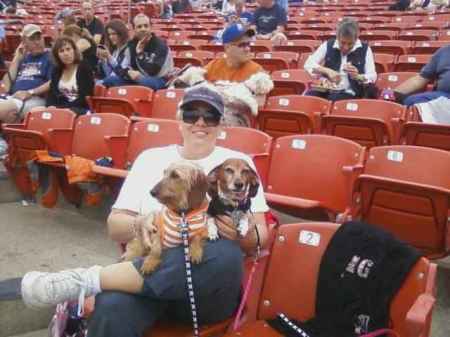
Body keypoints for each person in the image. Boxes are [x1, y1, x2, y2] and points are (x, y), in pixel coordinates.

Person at [20, 85, 269, 337]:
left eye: (210, 116)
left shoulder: (239, 164)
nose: (200, 123)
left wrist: (243, 235)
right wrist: (140, 224)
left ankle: (87, 280)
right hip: (147, 275)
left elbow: (263, 233)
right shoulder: (150, 159)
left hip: (206, 292)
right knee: (112, 307)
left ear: (221, 123)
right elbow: (115, 226)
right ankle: (92, 284)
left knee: (223, 253)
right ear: (179, 119)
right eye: (191, 115)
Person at [304, 17, 377, 101]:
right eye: (342, 43)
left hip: (350, 93)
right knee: (308, 97)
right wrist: (327, 71)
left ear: (356, 39)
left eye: (350, 44)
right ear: (337, 37)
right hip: (326, 89)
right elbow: (308, 64)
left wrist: (357, 76)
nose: (346, 47)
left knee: (334, 99)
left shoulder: (365, 49)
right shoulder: (328, 44)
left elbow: (372, 76)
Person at [102, 14, 173, 90]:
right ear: (134, 29)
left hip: (158, 79)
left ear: (151, 28)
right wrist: (128, 73)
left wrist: (140, 55)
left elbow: (153, 72)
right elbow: (122, 69)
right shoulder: (131, 45)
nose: (143, 29)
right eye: (139, 27)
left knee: (144, 82)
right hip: (136, 79)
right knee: (109, 80)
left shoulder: (161, 45)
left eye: (146, 26)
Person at [0, 24, 51, 123]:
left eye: (39, 38)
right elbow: (6, 86)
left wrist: (30, 92)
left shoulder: (50, 57)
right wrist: (16, 58)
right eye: (32, 39)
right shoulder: (23, 59)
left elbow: (52, 82)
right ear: (24, 43)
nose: (37, 42)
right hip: (13, 97)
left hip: (34, 99)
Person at [46, 36, 94, 115]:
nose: (66, 53)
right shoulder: (56, 70)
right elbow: (52, 93)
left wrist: (62, 108)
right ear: (57, 55)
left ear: (74, 51)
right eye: (61, 51)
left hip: (80, 108)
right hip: (61, 108)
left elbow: (85, 97)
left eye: (68, 49)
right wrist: (50, 106)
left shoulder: (84, 68)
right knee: (36, 110)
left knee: (66, 113)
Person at [97, 19, 131, 84]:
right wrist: (103, 61)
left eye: (114, 34)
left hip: (125, 84)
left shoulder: (128, 49)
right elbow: (109, 74)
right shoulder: (115, 50)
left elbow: (121, 72)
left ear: (121, 33)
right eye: (109, 34)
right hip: (113, 83)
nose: (111, 37)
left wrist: (109, 57)